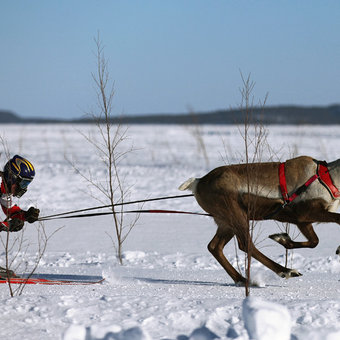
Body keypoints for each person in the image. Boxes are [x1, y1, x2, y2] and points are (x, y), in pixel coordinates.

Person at [0, 155, 40, 277]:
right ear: (12, 178)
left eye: (27, 184)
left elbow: (10, 209)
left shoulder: (4, 187)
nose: (24, 188)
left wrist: (25, 215)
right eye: (23, 183)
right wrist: (7, 225)